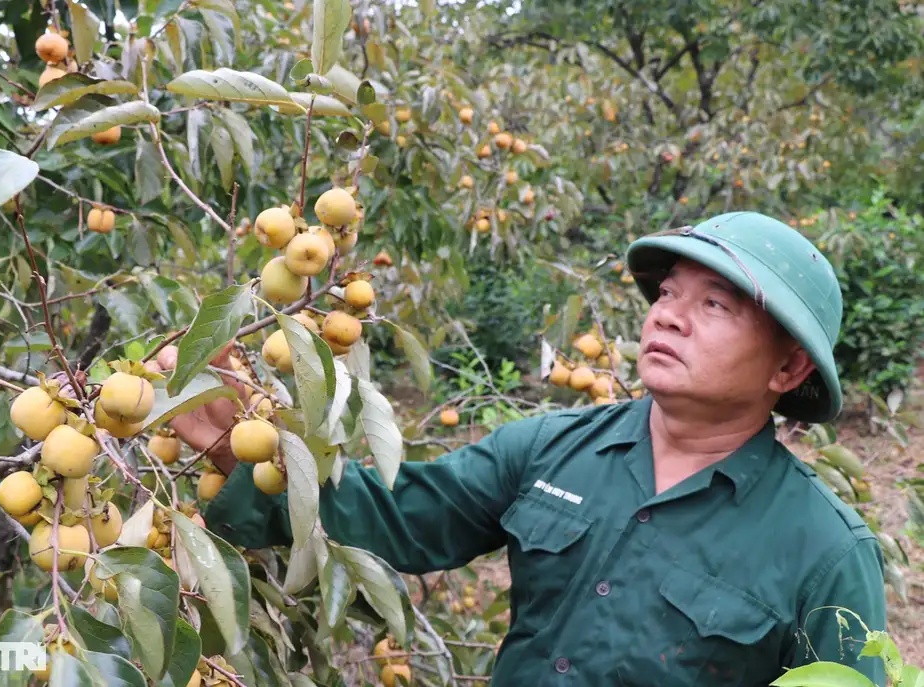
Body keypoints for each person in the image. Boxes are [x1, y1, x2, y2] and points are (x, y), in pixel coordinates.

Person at [160, 211, 887, 686]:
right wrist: (247, 452)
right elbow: (399, 517)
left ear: (787, 370)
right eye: (668, 292)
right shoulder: (552, 448)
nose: (668, 316)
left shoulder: (824, 550)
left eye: (715, 304)